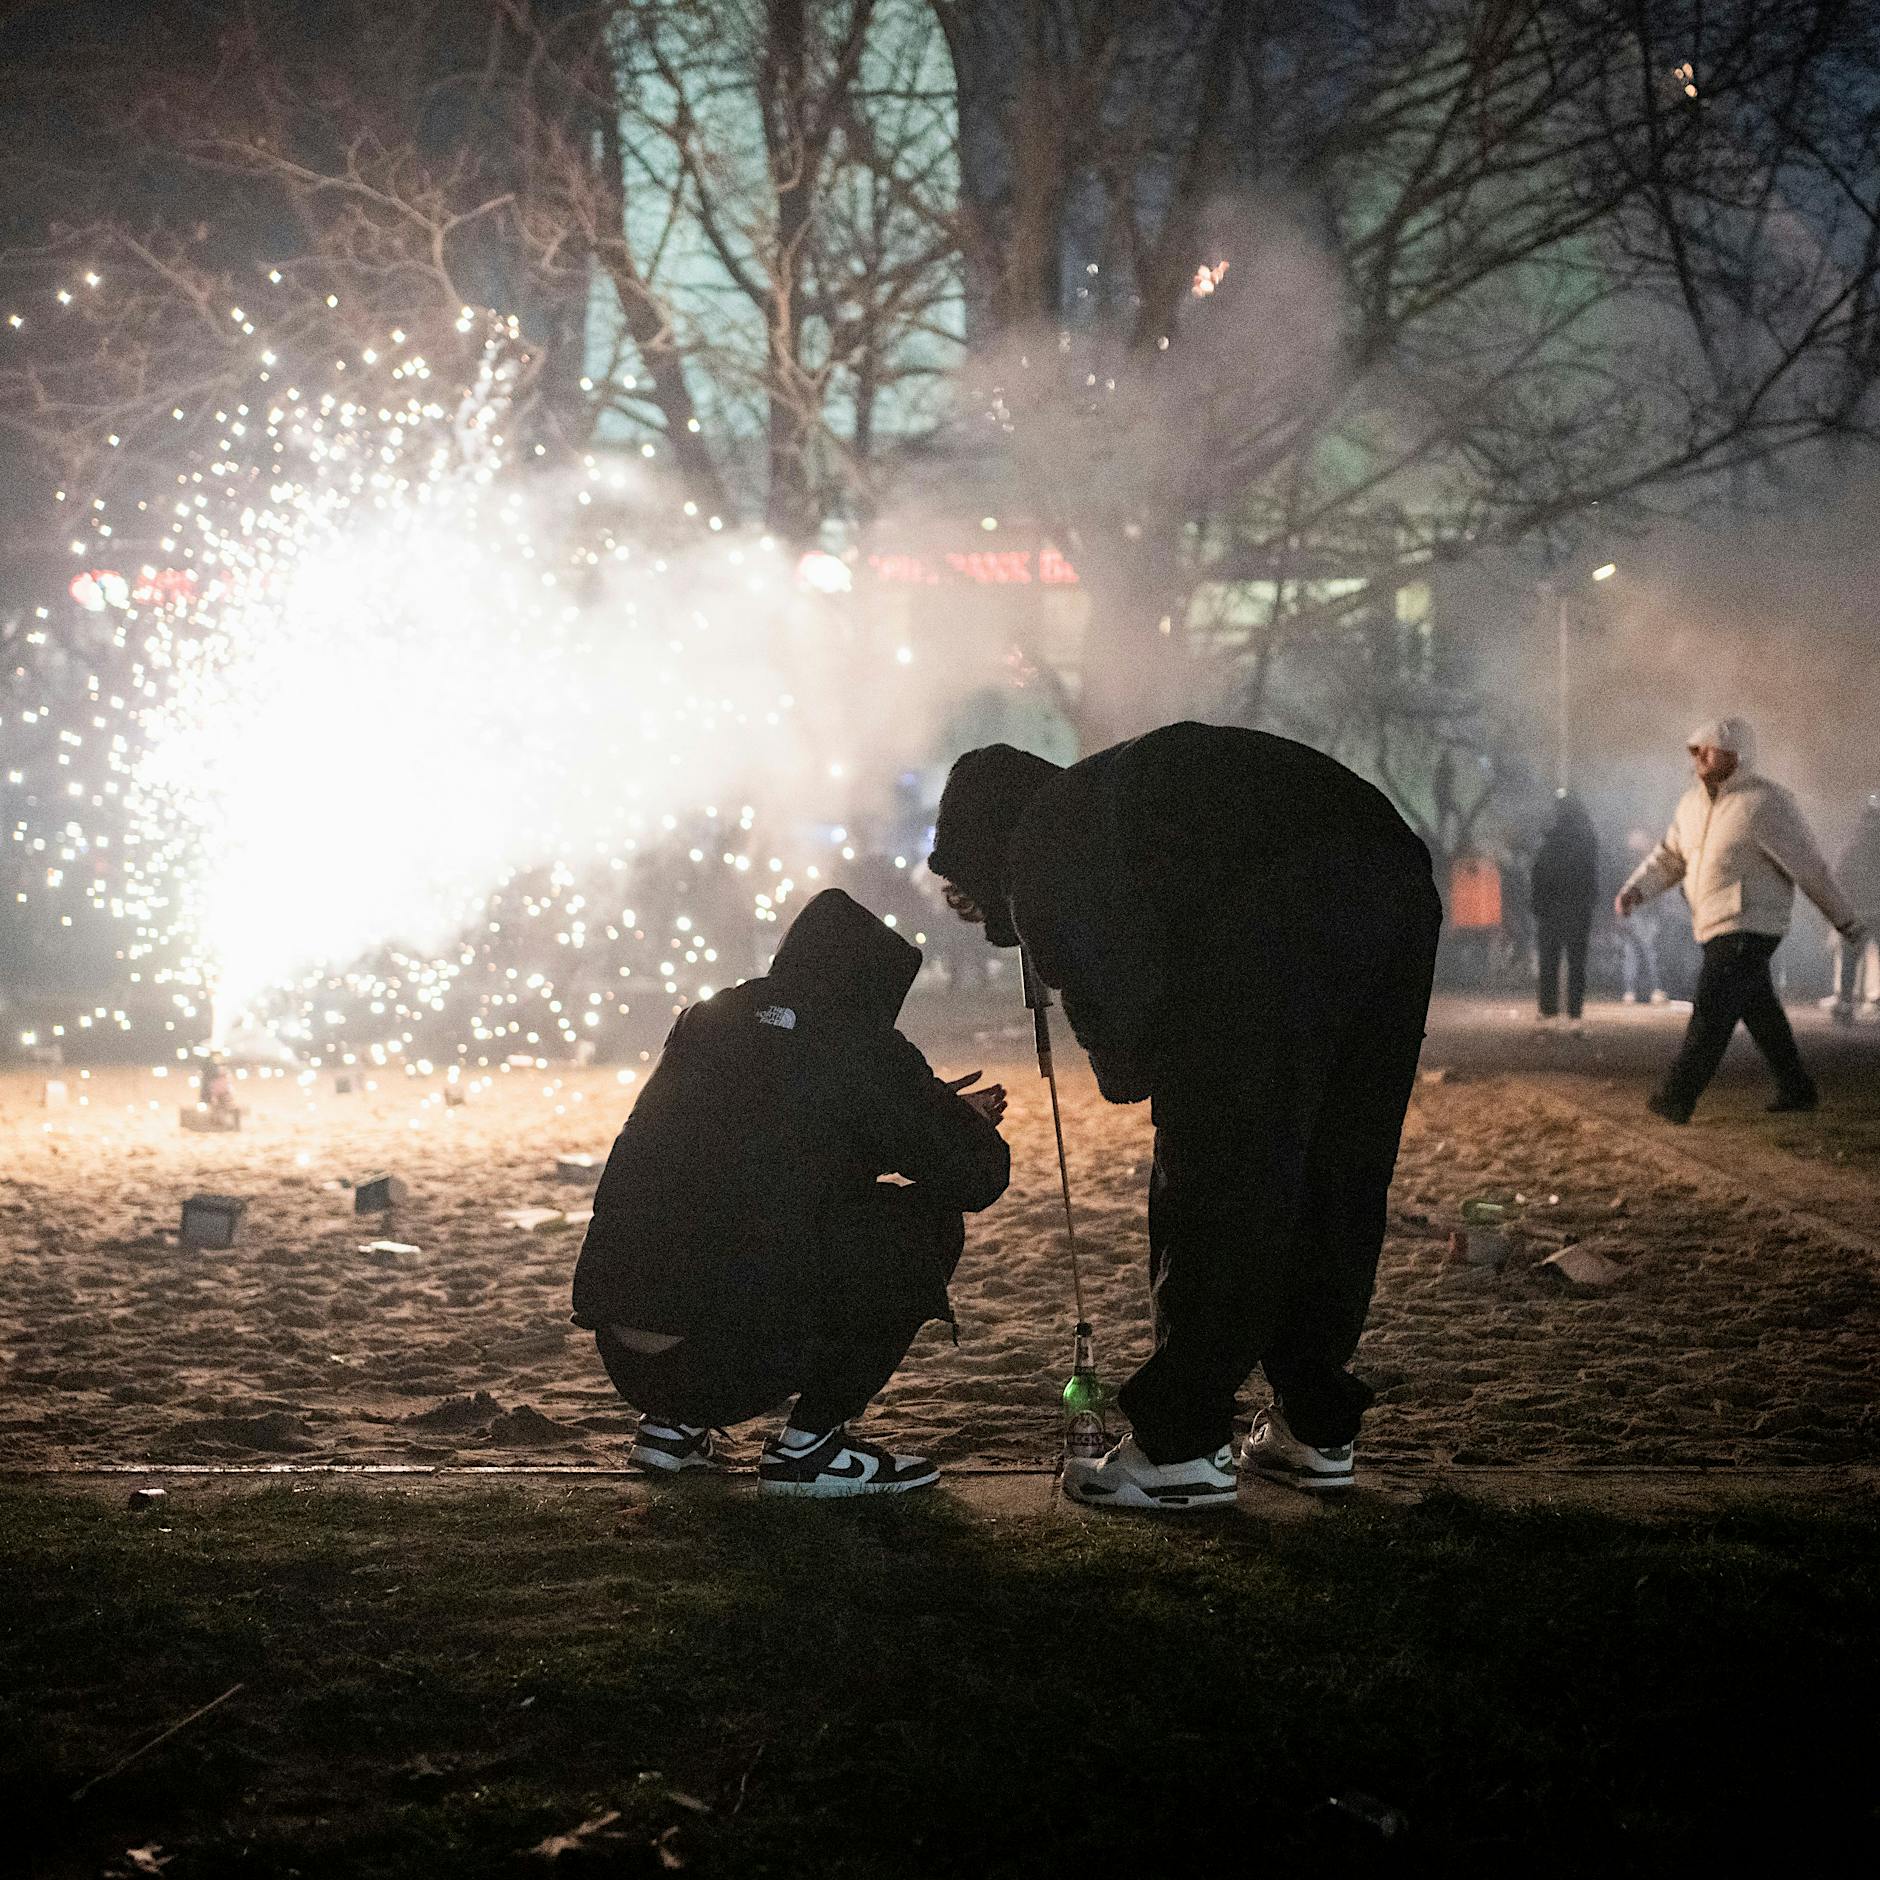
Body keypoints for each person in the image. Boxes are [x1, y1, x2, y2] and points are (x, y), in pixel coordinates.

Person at [929, 722, 1441, 1513]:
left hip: (1274, 916)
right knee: (1339, 1165)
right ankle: (1315, 1426)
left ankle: (1181, 1447)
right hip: (1394, 879)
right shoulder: (1109, 803)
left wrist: (1149, 1076)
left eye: (967, 890)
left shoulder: (1045, 838)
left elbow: (1123, 1030)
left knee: (1221, 1175)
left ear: (987, 844)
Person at [570, 888, 1010, 1496]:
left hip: (625, 1353)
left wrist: (916, 1114)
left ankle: (672, 1430)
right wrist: (951, 1118)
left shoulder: (708, 1019)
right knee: (923, 1223)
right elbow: (977, 1176)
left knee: (725, 1209)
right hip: (729, 1363)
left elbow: (771, 1145)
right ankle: (810, 1449)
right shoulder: (860, 1042)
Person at [1617, 717, 1868, 1122]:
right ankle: (1796, 1087)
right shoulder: (1691, 805)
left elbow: (1809, 868)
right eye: (1694, 749)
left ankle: (1676, 1098)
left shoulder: (1766, 804)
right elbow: (1670, 858)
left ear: (1736, 755)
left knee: (1712, 1012)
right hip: (1713, 923)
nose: (1697, 756)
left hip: (1750, 924)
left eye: (1707, 748)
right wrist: (1637, 890)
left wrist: (1845, 921)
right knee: (1760, 1009)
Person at [1530, 792, 1598, 1034]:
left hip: (1550, 910)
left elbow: (1539, 873)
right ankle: (1574, 1015)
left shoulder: (1549, 839)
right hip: (1578, 910)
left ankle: (1549, 1012)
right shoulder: (1587, 838)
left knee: (1549, 962)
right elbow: (1592, 876)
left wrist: (1538, 905)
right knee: (1576, 964)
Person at [1829, 795, 1880, 1023]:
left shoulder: (1854, 839)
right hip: (1877, 910)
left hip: (1855, 910)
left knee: (1850, 960)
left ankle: (1845, 1004)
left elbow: (1839, 872)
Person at [1617, 828, 1668, 1004]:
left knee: (1631, 953)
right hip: (1644, 914)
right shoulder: (1644, 864)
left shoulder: (1624, 865)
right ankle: (1655, 989)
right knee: (1650, 952)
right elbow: (1653, 888)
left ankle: (1630, 991)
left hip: (1632, 913)